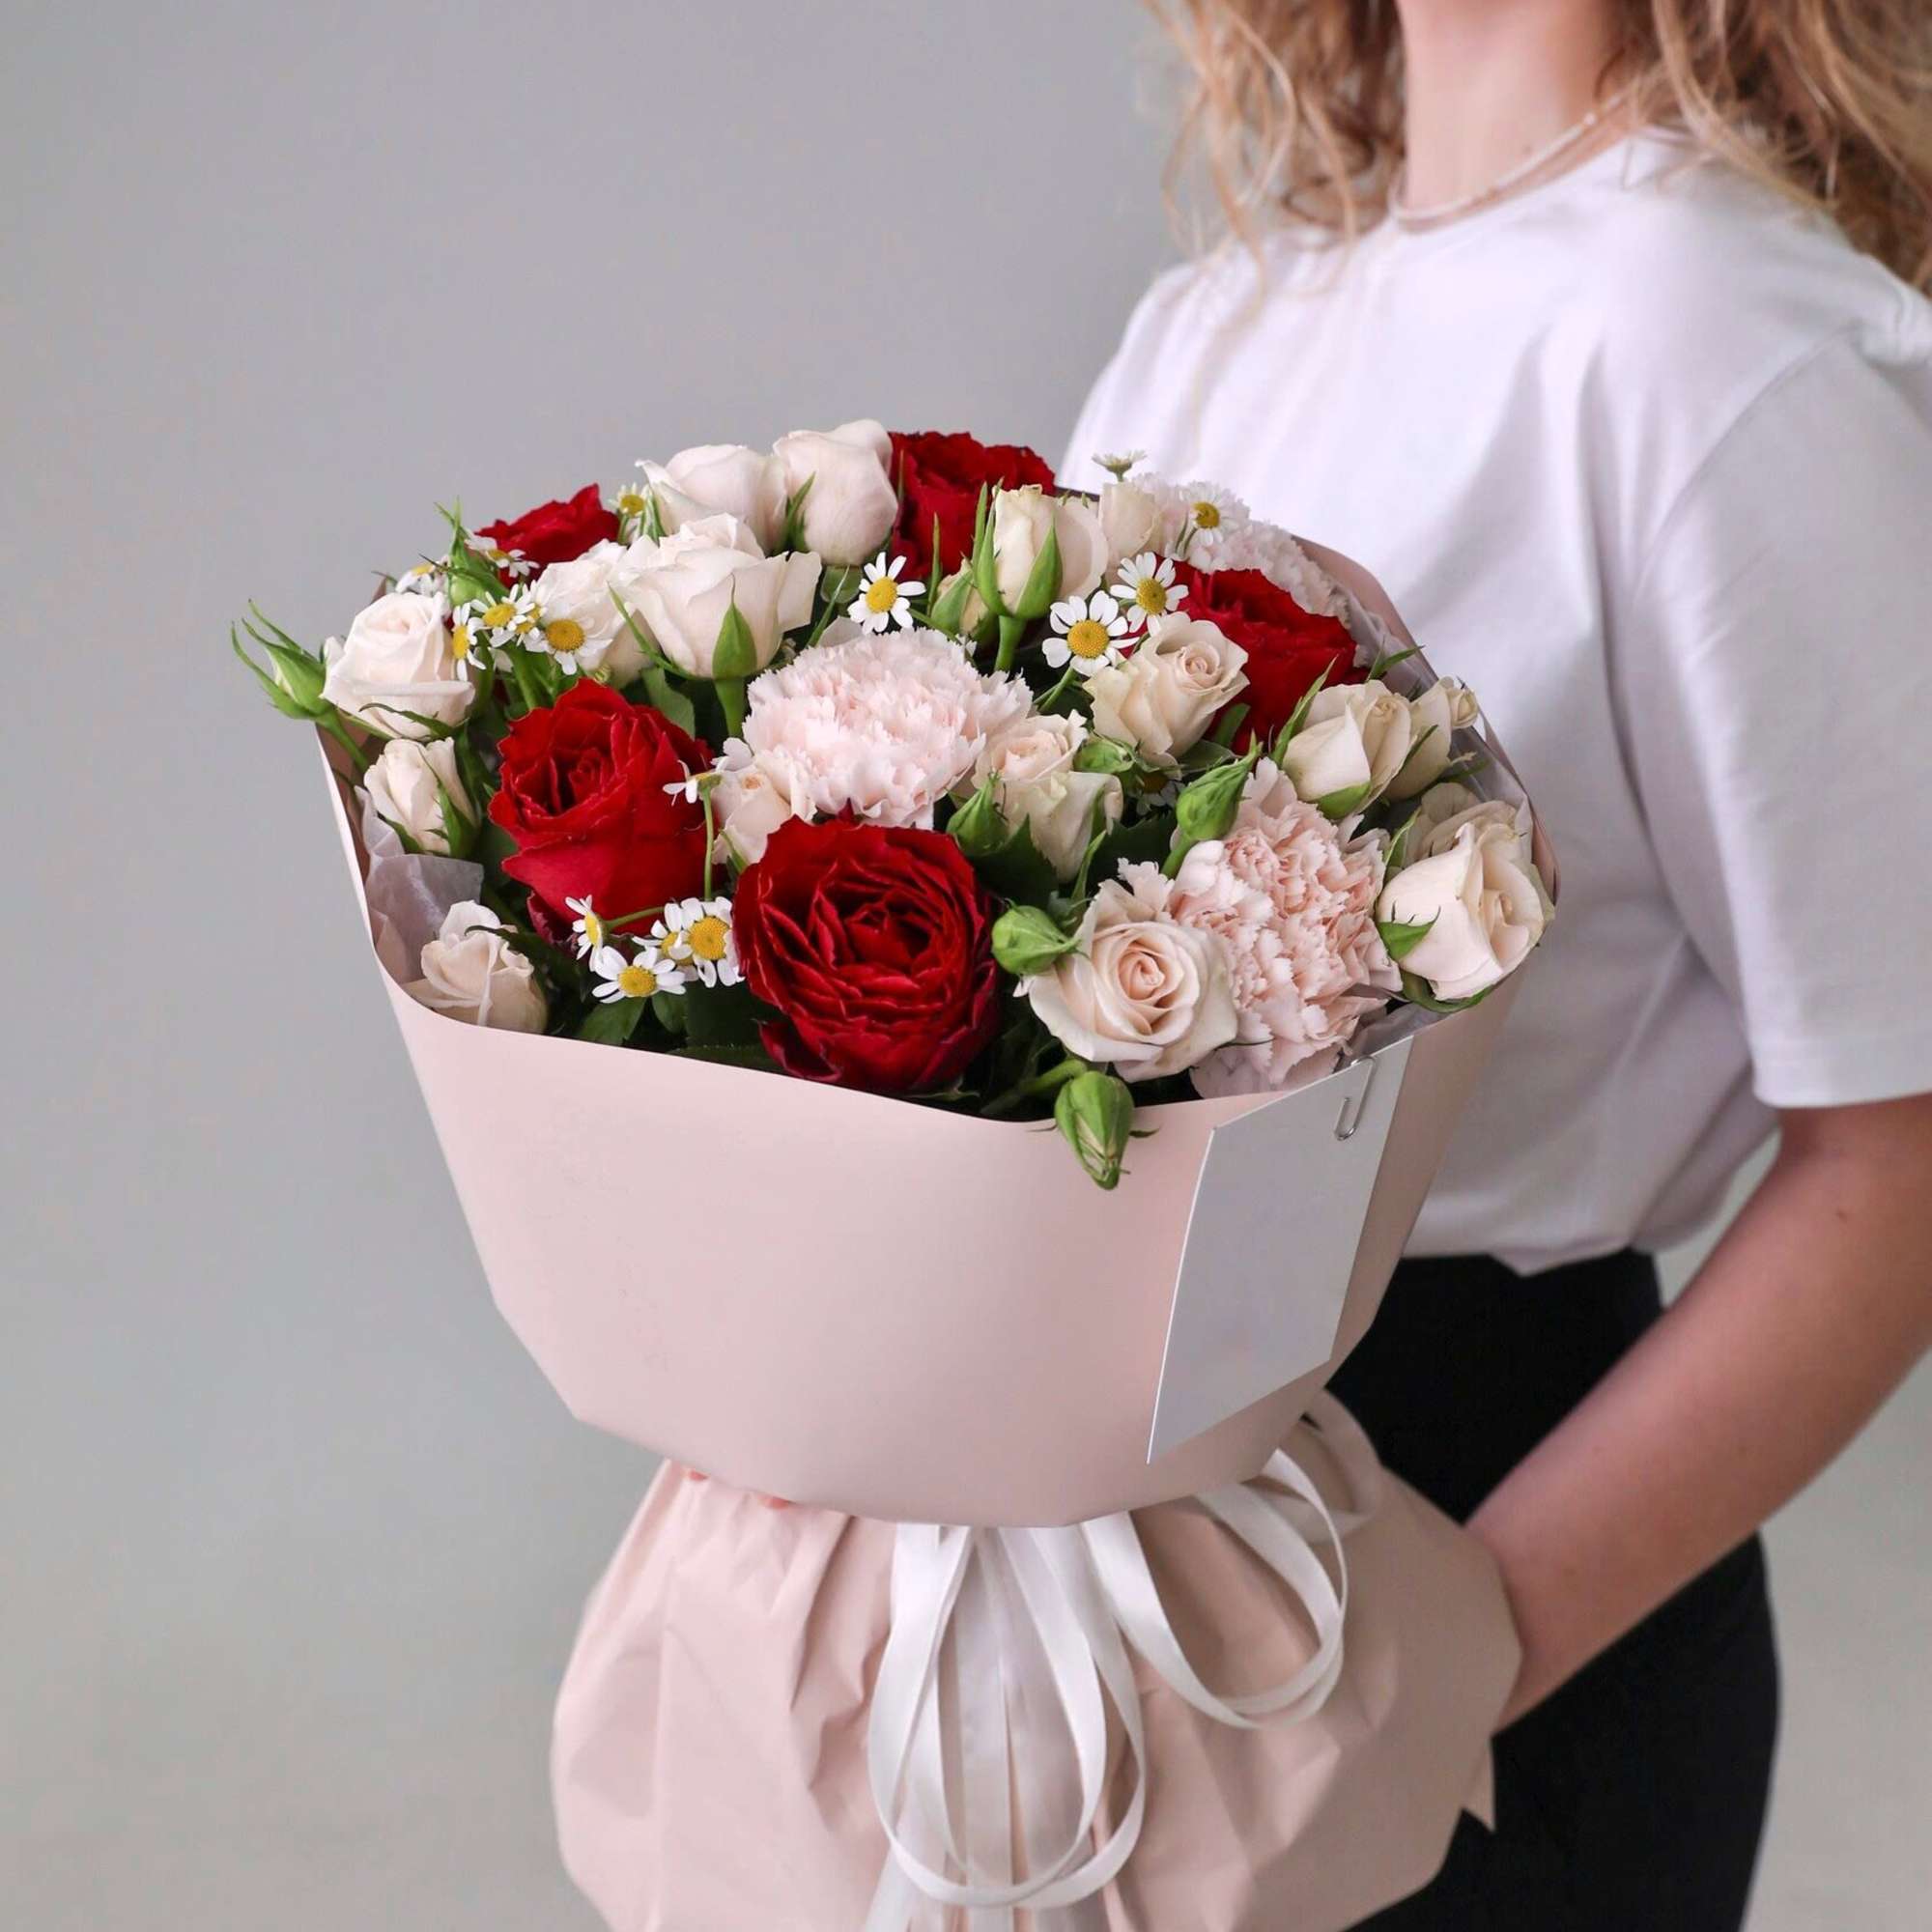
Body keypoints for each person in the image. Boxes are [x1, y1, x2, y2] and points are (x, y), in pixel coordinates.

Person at [1062, 2, 1932, 1924]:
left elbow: (1901, 1158)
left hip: (1492, 1548)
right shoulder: (1224, 324)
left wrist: (1447, 1651)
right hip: (1112, 1564)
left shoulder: (1714, 339)